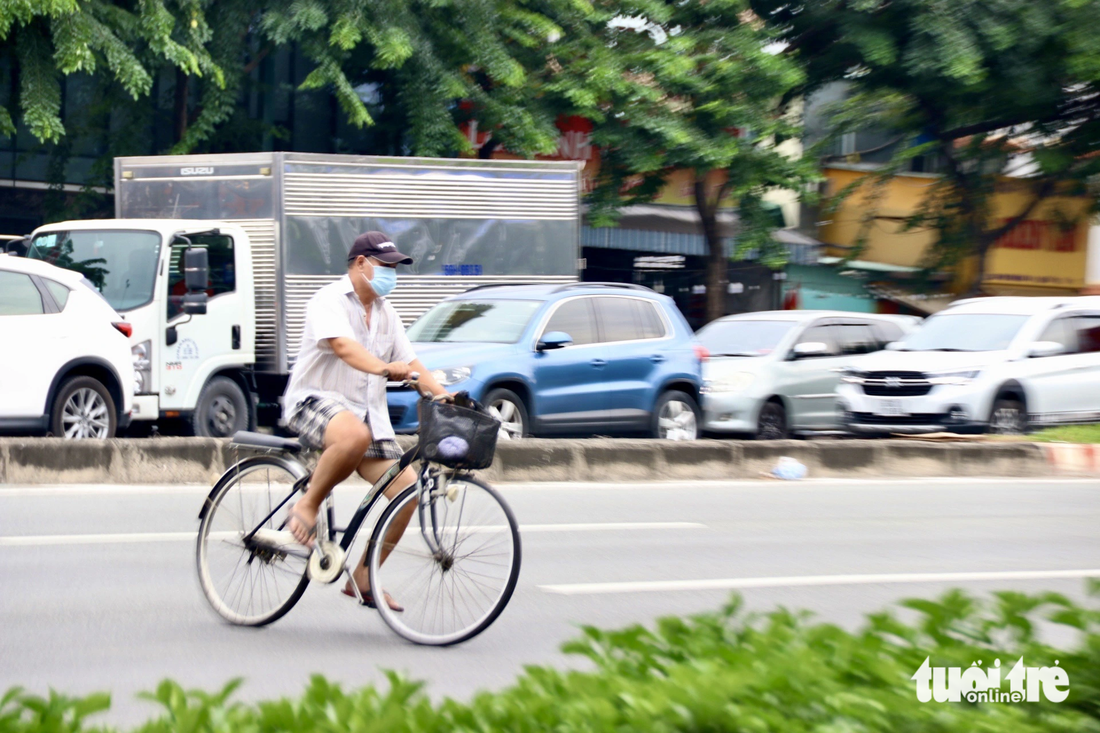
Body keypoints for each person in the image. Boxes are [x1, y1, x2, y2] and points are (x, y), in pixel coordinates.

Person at [282, 230, 449, 611]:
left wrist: (443, 394)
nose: (392, 273)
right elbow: (343, 347)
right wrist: (382, 368)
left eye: (395, 267)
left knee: (409, 493)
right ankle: (307, 506)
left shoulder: (388, 314)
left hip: (365, 416)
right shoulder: (328, 300)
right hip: (315, 401)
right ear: (361, 263)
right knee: (352, 436)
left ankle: (362, 575)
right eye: (386, 265)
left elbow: (411, 363)